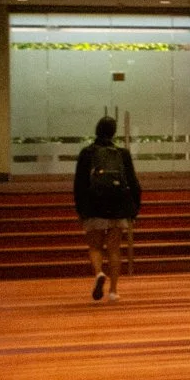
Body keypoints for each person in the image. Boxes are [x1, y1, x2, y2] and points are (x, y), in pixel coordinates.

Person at [73, 116, 141, 302]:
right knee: (114, 249)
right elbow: (133, 182)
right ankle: (113, 290)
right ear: (114, 132)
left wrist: (80, 208)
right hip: (118, 205)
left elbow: (79, 183)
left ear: (97, 130)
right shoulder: (122, 153)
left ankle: (99, 273)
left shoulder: (87, 153)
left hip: (94, 205)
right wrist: (134, 208)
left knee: (95, 246)